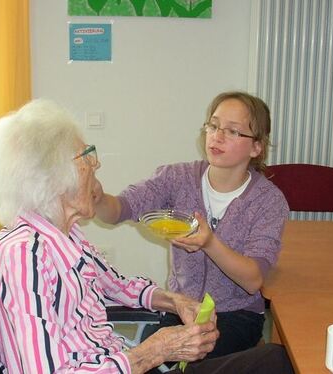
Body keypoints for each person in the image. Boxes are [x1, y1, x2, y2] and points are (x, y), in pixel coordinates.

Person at [0, 99, 293, 373]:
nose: (96, 163)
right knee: (276, 362)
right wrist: (152, 352)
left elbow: (117, 285)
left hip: (121, 357)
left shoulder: (65, 237)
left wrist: (175, 301)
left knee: (274, 359)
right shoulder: (23, 259)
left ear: (256, 146)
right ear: (55, 177)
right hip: (128, 363)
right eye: (85, 157)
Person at [95, 91, 290, 358]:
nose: (217, 136)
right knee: (148, 362)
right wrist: (95, 198)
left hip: (236, 315)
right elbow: (120, 209)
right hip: (182, 308)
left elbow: (253, 279)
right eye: (213, 125)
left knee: (193, 363)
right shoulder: (177, 177)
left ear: (256, 147)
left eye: (233, 131)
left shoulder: (268, 201)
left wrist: (209, 242)